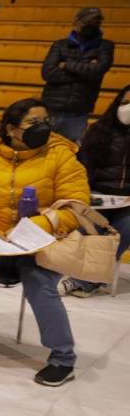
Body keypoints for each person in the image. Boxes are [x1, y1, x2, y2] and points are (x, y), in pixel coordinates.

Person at [0, 98, 88, 386]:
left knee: (40, 282)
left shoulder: (61, 156)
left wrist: (34, 226)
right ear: (12, 129)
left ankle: (63, 357)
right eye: (34, 123)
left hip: (40, 243)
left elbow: (75, 206)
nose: (44, 127)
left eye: (46, 121)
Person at [61, 86, 130, 297]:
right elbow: (81, 167)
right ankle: (76, 274)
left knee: (122, 231)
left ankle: (87, 281)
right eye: (125, 102)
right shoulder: (99, 131)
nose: (128, 108)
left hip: (127, 203)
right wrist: (84, 193)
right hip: (96, 196)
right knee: (87, 229)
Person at [41, 7, 116, 143]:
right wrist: (86, 72)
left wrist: (66, 65)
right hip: (51, 108)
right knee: (40, 147)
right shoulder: (60, 45)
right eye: (88, 22)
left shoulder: (106, 46)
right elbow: (47, 73)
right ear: (76, 22)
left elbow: (97, 71)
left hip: (79, 111)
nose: (92, 26)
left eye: (96, 22)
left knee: (70, 151)